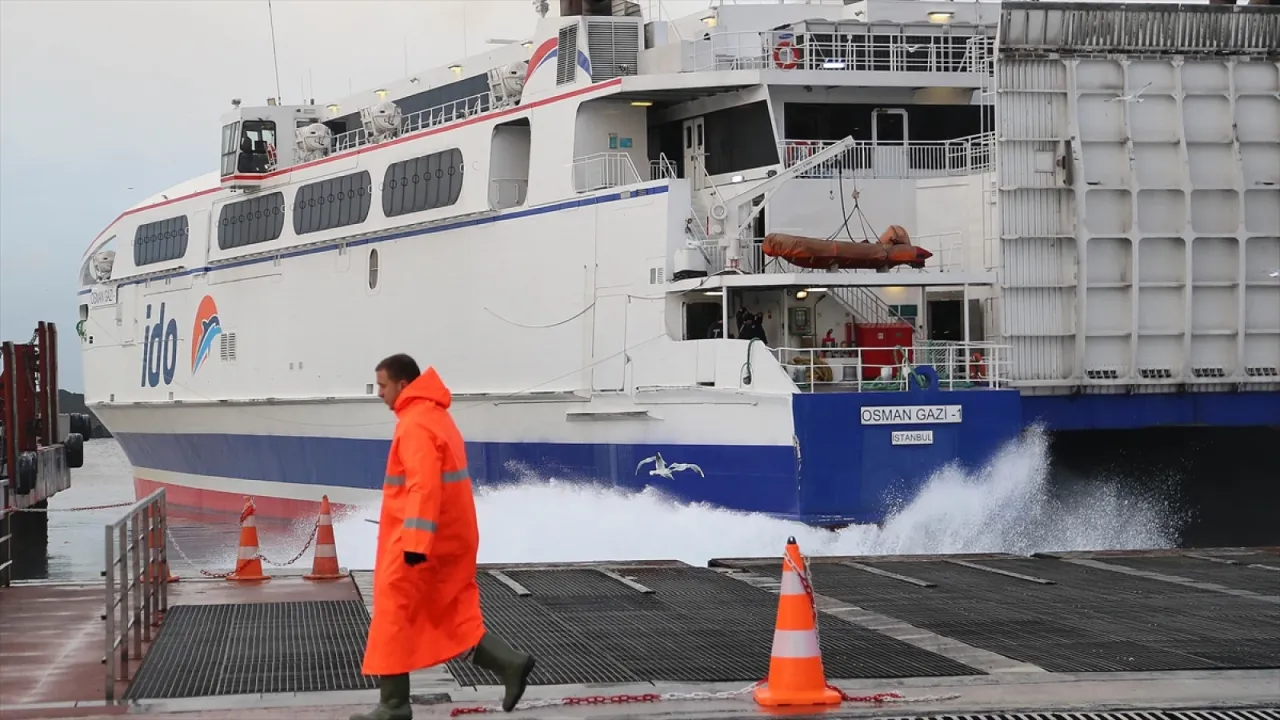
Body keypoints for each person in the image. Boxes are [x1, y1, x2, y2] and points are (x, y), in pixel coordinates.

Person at [352, 353, 536, 720]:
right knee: (448, 614)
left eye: (383, 386)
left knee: (393, 612)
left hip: (421, 541)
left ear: (403, 385)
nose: (379, 393)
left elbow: (423, 487)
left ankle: (393, 705)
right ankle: (510, 663)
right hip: (450, 537)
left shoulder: (415, 424)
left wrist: (416, 546)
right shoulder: (437, 416)